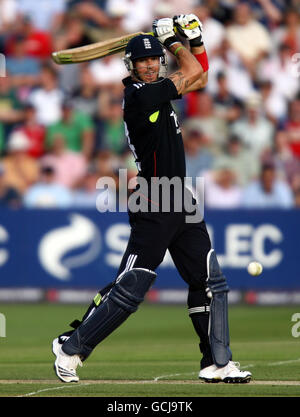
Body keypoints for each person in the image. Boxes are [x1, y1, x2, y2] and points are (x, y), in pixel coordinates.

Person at [52, 14, 252, 384]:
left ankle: (217, 362)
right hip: (155, 196)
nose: (148, 66)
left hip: (182, 197)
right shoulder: (140, 95)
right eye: (142, 61)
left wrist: (194, 37)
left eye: (152, 59)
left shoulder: (159, 86)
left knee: (210, 281)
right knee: (132, 286)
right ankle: (71, 348)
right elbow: (191, 69)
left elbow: (200, 75)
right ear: (131, 66)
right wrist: (176, 41)